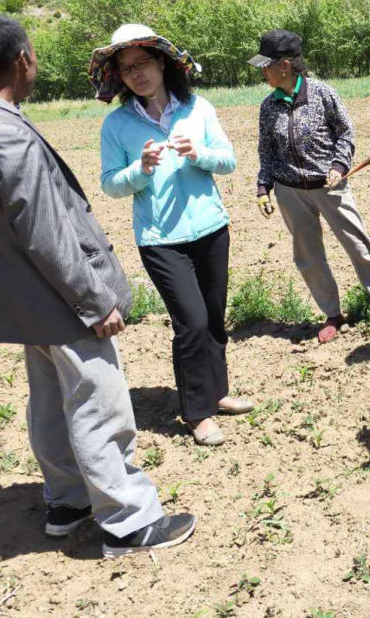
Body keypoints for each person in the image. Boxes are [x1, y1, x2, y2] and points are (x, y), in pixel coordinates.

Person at [0, 15, 194, 557]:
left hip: (22, 299)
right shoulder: (7, 132)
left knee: (52, 402)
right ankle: (128, 520)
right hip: (60, 297)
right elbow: (45, 231)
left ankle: (68, 500)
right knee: (98, 402)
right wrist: (93, 300)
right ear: (23, 59)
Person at [93, 24, 253, 447]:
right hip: (160, 238)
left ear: (162, 61)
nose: (136, 74)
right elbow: (110, 184)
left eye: (142, 63)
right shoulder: (117, 125)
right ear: (120, 78)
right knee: (192, 323)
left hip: (210, 228)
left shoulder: (197, 108)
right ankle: (197, 412)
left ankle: (217, 394)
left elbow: (229, 160)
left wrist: (198, 154)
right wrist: (140, 169)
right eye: (126, 69)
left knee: (214, 318)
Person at [252, 30, 370, 343]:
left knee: (357, 243)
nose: (262, 71)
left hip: (329, 185)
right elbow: (266, 150)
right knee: (308, 256)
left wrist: (338, 166)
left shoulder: (322, 94)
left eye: (266, 65)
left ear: (285, 65)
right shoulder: (268, 107)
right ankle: (332, 313)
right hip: (289, 191)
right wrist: (263, 187)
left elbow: (345, 134)